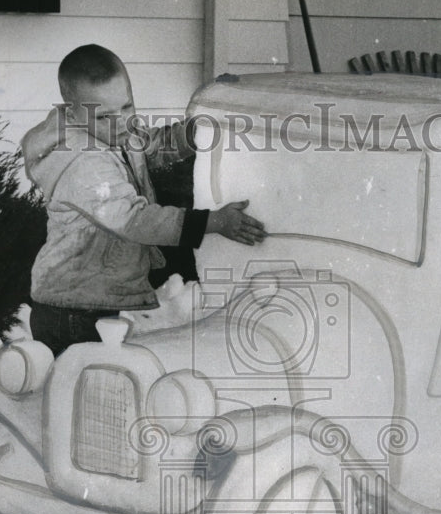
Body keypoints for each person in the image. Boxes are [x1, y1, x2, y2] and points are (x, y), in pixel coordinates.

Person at [21, 44, 266, 355]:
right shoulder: (82, 160)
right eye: (106, 116)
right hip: (71, 311)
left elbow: (152, 146)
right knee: (83, 390)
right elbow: (133, 220)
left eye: (127, 107)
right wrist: (212, 221)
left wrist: (199, 129)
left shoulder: (113, 131)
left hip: (94, 300)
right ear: (73, 113)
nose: (122, 122)